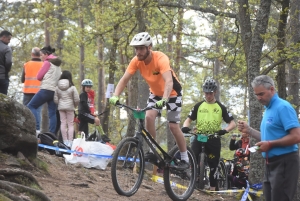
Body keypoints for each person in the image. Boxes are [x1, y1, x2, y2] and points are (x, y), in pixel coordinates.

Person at [109, 32, 189, 170]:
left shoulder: (160, 58)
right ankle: (153, 152)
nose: (138, 51)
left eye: (141, 48)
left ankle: (185, 158)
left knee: (173, 126)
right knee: (149, 117)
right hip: (156, 94)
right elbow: (124, 80)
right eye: (136, 48)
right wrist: (115, 95)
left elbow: (169, 81)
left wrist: (165, 99)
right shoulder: (136, 61)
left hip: (173, 93)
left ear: (149, 47)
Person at [238, 75, 300, 201]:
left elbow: (296, 136)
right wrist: (249, 130)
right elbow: (267, 138)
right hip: (269, 164)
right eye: (256, 95)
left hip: (284, 162)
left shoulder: (283, 107)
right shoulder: (268, 109)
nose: (259, 98)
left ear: (272, 89)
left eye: (261, 94)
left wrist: (270, 145)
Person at [181, 77, 236, 190]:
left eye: (210, 93)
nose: (208, 95)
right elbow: (188, 119)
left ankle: (212, 188)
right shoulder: (198, 106)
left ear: (215, 92)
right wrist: (185, 127)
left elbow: (232, 123)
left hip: (214, 137)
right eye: (206, 93)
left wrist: (225, 130)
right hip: (199, 136)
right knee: (193, 158)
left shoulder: (220, 107)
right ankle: (194, 181)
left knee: (213, 165)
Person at [27, 45, 62, 134]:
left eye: (41, 55)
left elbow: (39, 76)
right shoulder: (58, 65)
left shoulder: (47, 63)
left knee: (31, 106)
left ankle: (37, 129)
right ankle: (51, 134)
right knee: (52, 113)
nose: (41, 57)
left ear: (46, 54)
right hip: (54, 91)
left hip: (46, 89)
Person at [54, 70, 80, 147]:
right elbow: (77, 99)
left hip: (61, 107)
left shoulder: (57, 87)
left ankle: (65, 141)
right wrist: (74, 105)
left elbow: (55, 99)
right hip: (70, 108)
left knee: (63, 123)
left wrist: (59, 103)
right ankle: (70, 142)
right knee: (70, 124)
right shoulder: (72, 87)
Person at [21, 47, 43, 130]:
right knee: (37, 111)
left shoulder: (26, 64)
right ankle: (37, 130)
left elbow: (22, 79)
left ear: (32, 54)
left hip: (27, 91)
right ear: (40, 55)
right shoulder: (44, 65)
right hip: (39, 92)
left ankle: (25, 129)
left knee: (25, 111)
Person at [0, 30, 12, 95]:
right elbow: (8, 62)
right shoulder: (7, 48)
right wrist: (7, 70)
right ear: (4, 37)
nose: (9, 41)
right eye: (8, 39)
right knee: (3, 99)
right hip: (2, 77)